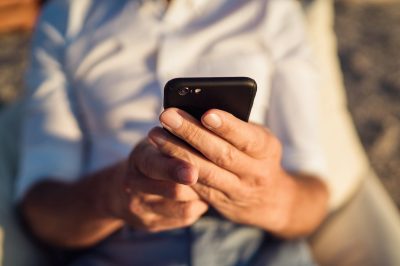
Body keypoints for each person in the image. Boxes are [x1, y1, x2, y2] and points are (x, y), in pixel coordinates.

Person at [17, 0, 330, 265]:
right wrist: (115, 194)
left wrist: (267, 196)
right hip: (118, 247)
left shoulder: (270, 10)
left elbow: (314, 200)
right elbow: (43, 214)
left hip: (255, 248)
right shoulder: (66, 16)